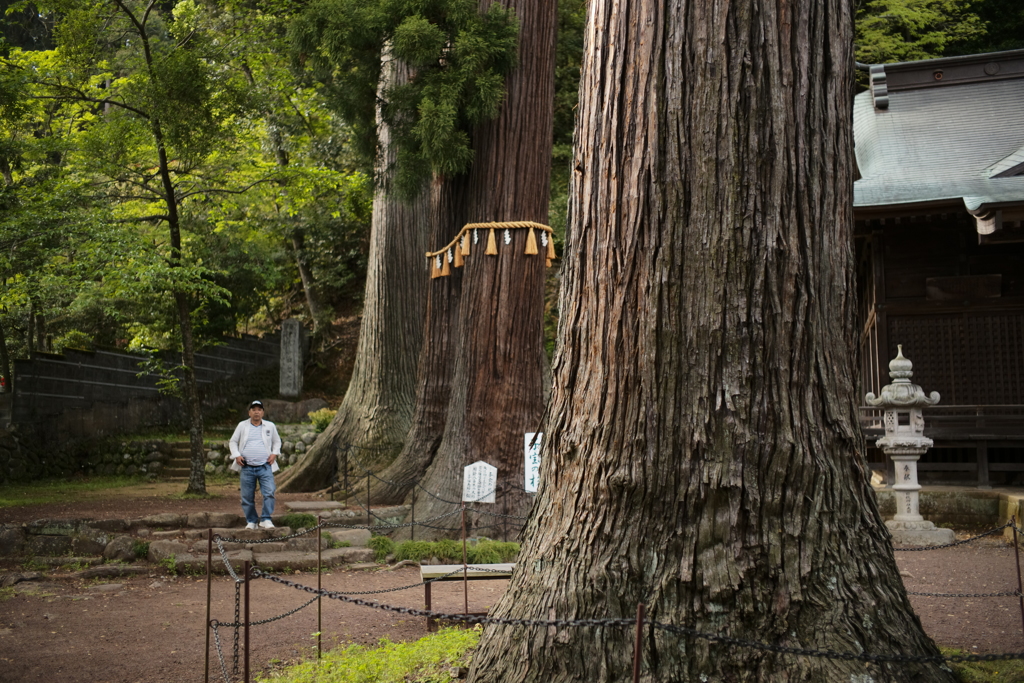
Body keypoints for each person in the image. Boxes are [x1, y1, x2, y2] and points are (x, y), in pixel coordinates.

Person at [229, 400, 282, 529]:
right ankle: (251, 521)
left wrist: (274, 454)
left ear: (263, 412)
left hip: (265, 466)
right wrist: (236, 455)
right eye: (254, 409)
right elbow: (233, 441)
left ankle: (266, 518)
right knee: (247, 496)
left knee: (269, 492)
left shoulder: (270, 426)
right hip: (247, 466)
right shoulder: (242, 425)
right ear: (249, 412)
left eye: (259, 409)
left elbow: (277, 442)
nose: (256, 412)